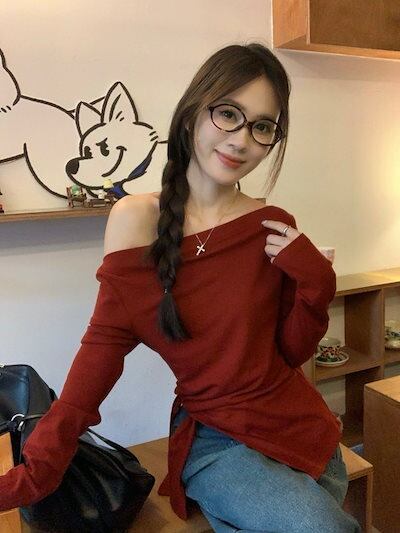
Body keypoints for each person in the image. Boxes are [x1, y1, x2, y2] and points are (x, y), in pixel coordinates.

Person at [0, 43, 361, 532]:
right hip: (216, 437)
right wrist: (38, 471)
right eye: (228, 114)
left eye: (262, 127)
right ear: (193, 111)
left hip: (298, 423)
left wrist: (317, 285)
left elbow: (289, 353)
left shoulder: (272, 224)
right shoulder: (136, 219)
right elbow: (101, 351)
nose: (241, 140)